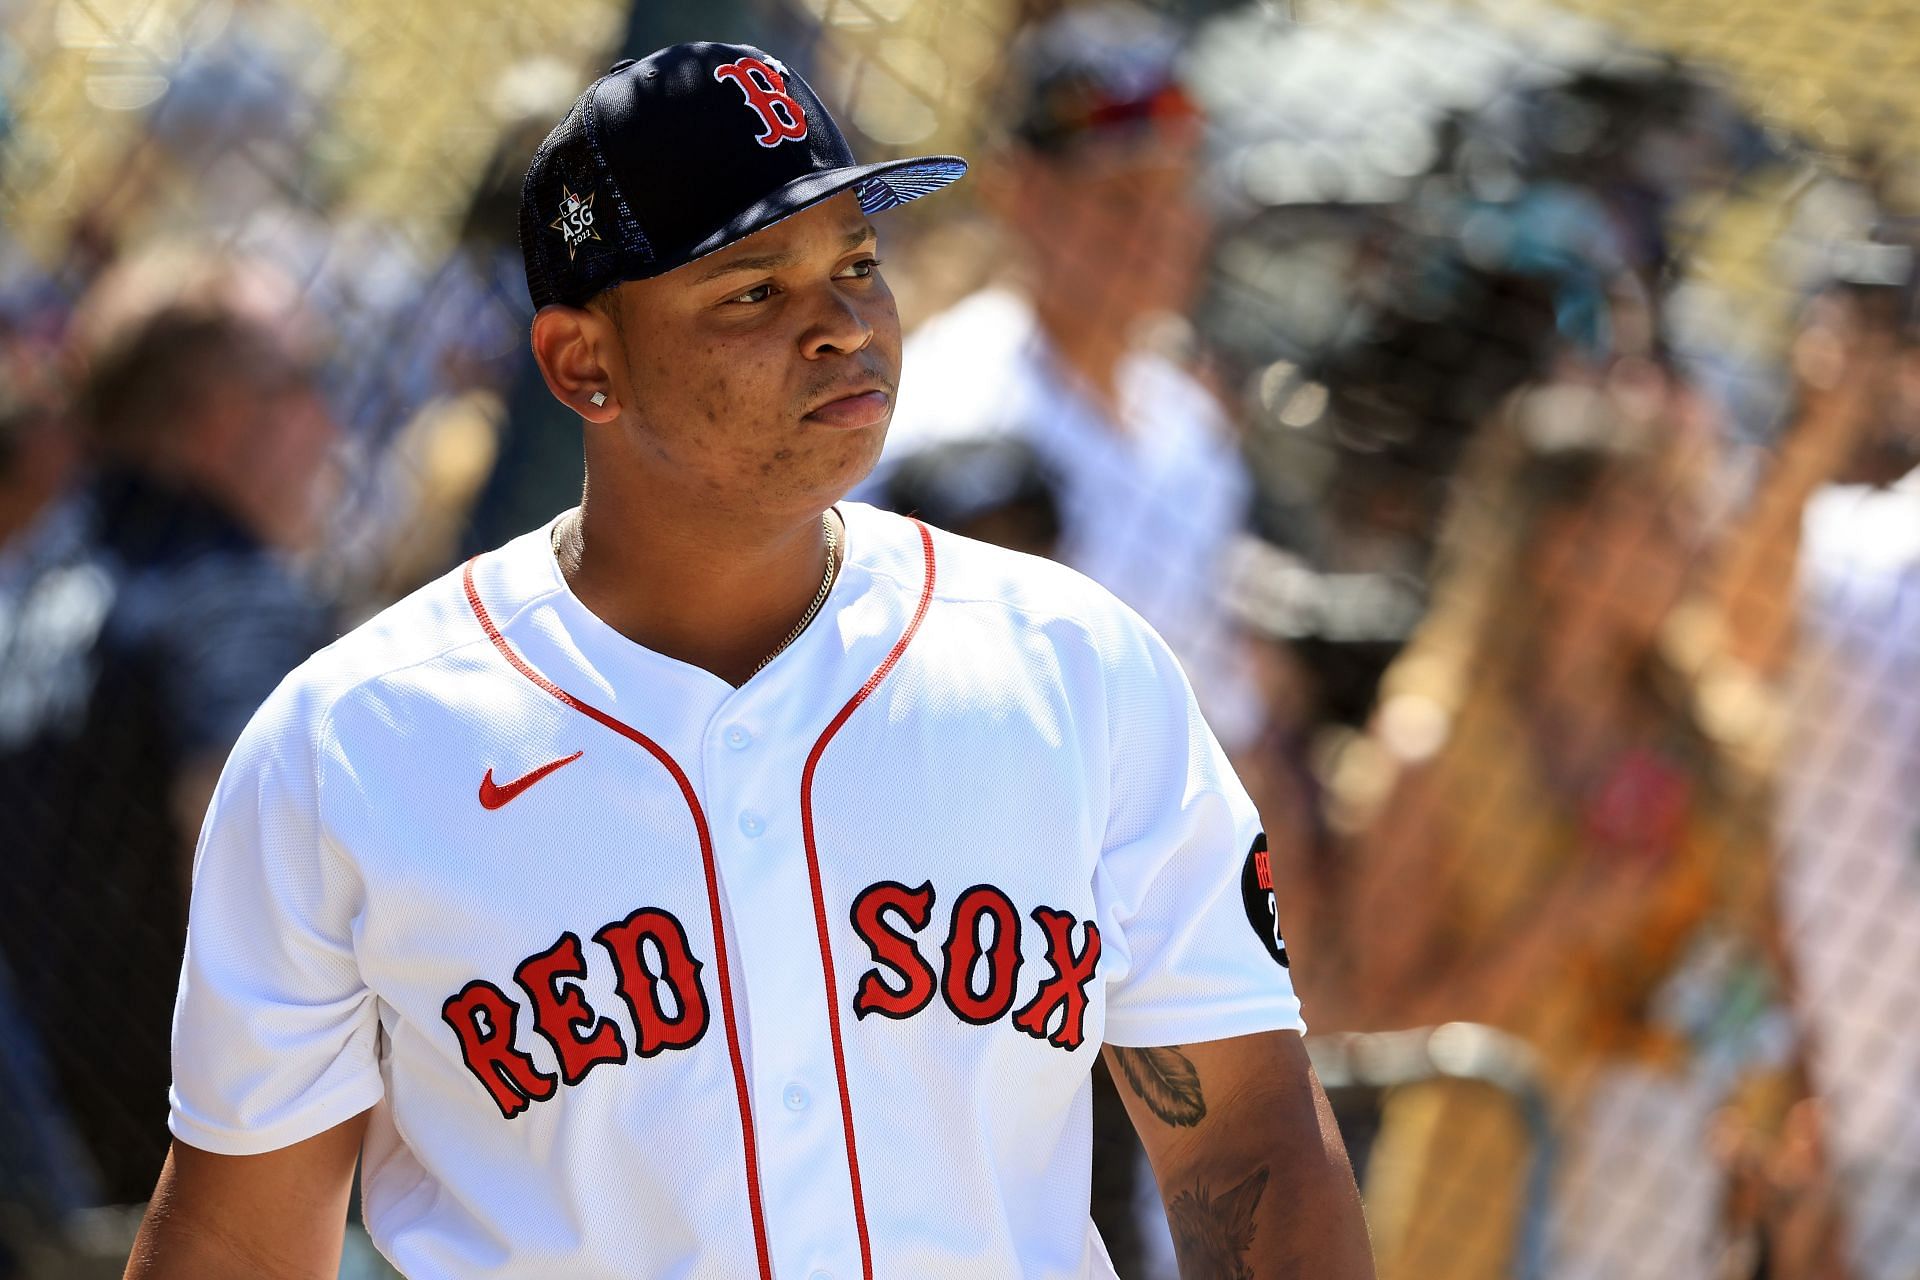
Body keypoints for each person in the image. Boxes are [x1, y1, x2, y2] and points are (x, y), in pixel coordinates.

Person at [124, 42, 1373, 1280]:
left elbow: (1248, 1137)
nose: (842, 326)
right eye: (754, 291)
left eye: (860, 266)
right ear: (582, 361)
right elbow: (238, 1237)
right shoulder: (352, 747)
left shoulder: (1077, 665)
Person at [1333, 383, 1810, 1280]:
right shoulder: (1432, 744)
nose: (1695, 547)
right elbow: (1368, 1033)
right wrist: (1560, 922)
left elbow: (1761, 966)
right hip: (1486, 1196)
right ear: (1563, 549)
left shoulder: (1708, 739)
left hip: (1681, 1195)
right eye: (1658, 520)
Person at [0, 251, 338, 1215]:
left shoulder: (26, 587)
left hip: (33, 1180)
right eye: (311, 382)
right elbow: (248, 843)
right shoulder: (227, 600)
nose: (330, 422)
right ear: (223, 415)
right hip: (191, 1194)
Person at [861, 2, 1264, 755]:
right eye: (1118, 198)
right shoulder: (949, 413)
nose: (1156, 229)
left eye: (1176, 190)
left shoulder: (1187, 421)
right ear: (1021, 197)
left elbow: (1223, 725)